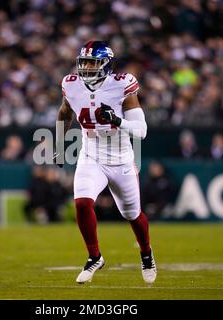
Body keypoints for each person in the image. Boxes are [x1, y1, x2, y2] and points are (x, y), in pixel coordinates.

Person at [53, 41, 156, 284]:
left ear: (106, 65)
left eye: (92, 62)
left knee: (132, 214)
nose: (87, 67)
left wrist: (117, 121)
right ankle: (94, 256)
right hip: (91, 155)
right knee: (81, 203)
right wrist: (59, 145)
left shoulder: (121, 85)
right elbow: (64, 112)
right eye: (84, 62)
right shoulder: (71, 85)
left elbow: (141, 131)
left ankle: (146, 253)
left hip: (121, 159)